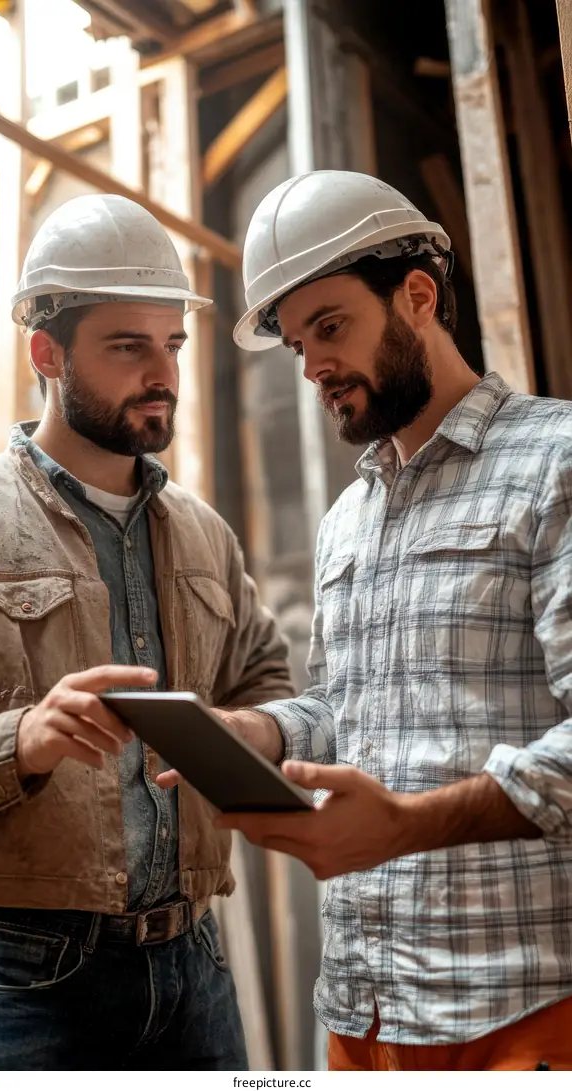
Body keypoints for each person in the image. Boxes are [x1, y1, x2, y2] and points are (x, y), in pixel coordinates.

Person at [160, 170, 572, 1071]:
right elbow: (349, 707)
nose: (312, 367)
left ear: (417, 297)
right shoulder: (351, 518)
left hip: (517, 1005)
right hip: (361, 1006)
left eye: (331, 326)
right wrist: (253, 731)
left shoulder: (556, 461)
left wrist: (409, 823)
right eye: (299, 343)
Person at [0, 193, 293, 1071]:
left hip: (196, 961)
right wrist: (22, 741)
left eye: (173, 344)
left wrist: (254, 733)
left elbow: (281, 694)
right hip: (20, 978)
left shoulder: (203, 533)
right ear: (47, 353)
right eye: (128, 346)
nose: (163, 372)